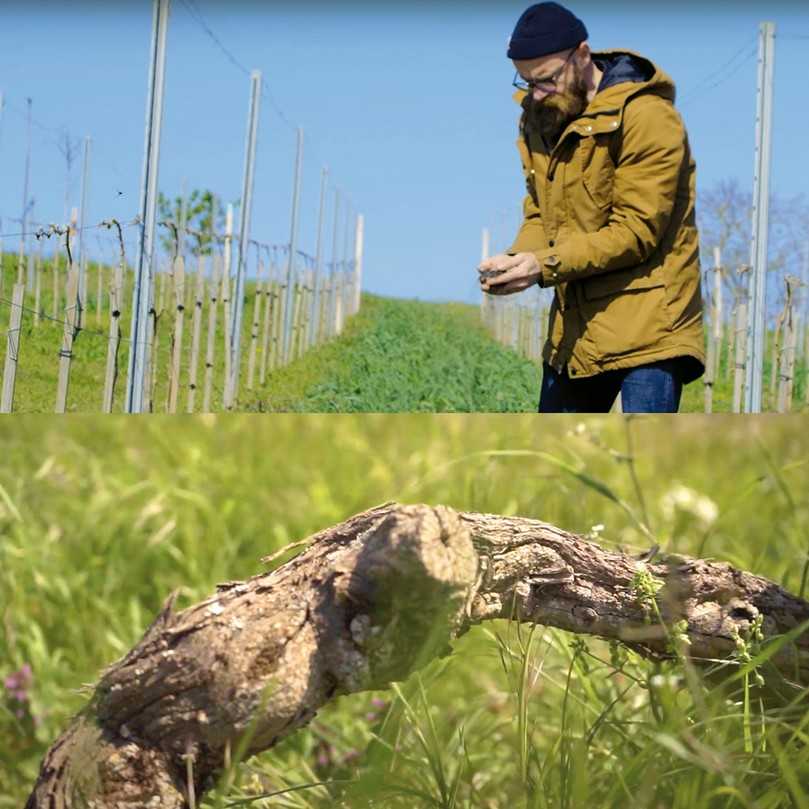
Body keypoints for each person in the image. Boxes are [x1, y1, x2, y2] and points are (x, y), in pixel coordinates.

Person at [478, 2, 704, 413]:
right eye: (527, 81)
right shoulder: (540, 117)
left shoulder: (647, 116)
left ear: (582, 54)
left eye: (547, 79)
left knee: (642, 469)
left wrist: (541, 265)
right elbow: (540, 212)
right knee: (553, 466)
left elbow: (636, 232)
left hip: (649, 327)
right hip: (577, 332)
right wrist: (517, 260)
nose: (537, 93)